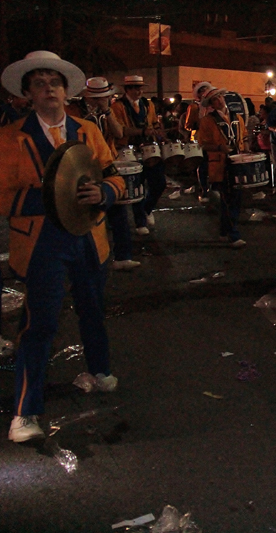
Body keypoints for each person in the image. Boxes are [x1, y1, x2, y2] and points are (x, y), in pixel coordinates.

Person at [0, 51, 126, 442]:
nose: (48, 89)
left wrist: (103, 192)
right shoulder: (9, 138)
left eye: (54, 82)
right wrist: (56, 197)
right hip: (42, 243)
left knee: (92, 309)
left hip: (88, 236)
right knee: (40, 324)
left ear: (65, 90)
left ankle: (100, 370)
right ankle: (25, 412)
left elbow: (114, 176)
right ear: (28, 94)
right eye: (39, 83)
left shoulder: (88, 129)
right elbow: (3, 197)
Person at [67, 77, 140, 271]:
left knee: (118, 209)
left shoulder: (108, 111)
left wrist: (107, 111)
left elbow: (118, 133)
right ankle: (85, 259)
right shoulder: (74, 111)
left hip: (107, 161)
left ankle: (123, 256)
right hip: (82, 166)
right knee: (85, 212)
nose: (101, 100)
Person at [111, 75, 166, 235]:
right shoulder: (118, 107)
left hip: (149, 147)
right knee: (137, 185)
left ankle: (147, 209)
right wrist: (141, 131)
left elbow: (154, 122)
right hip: (128, 149)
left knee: (159, 183)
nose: (139, 91)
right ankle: (140, 222)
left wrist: (158, 130)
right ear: (127, 89)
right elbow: (119, 130)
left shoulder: (148, 104)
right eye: (135, 88)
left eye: (140, 88)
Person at [196, 86, 247, 248]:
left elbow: (244, 137)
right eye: (214, 100)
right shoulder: (207, 120)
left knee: (235, 199)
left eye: (220, 97)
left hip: (237, 161)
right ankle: (233, 234)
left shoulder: (237, 117)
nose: (218, 101)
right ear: (210, 104)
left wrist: (246, 151)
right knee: (227, 199)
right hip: (220, 163)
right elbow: (202, 145)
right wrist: (219, 148)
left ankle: (224, 231)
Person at [183, 81, 213, 200]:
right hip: (199, 139)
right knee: (202, 164)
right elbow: (188, 125)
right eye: (202, 91)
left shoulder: (212, 106)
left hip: (212, 139)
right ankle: (203, 188)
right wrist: (198, 124)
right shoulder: (194, 107)